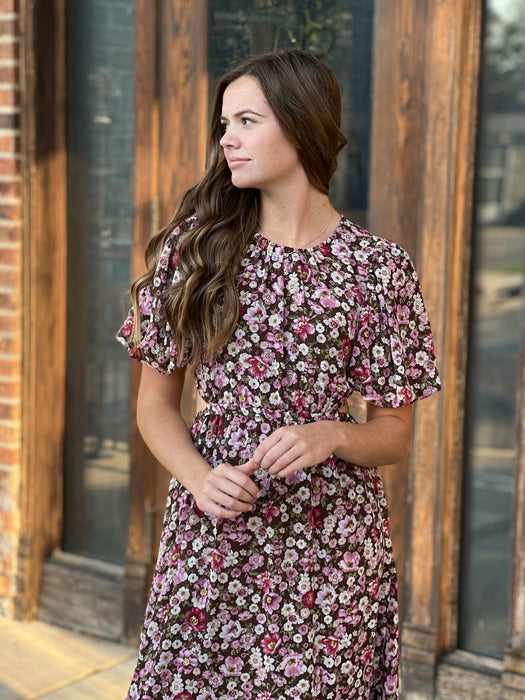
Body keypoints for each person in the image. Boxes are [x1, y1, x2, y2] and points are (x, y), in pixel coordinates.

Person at [117, 48, 440, 700]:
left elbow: (394, 435)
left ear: (299, 124)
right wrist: (199, 478)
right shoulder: (198, 250)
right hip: (214, 536)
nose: (226, 140)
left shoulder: (378, 270)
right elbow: (155, 405)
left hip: (331, 550)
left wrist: (333, 434)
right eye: (224, 124)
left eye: (245, 121)